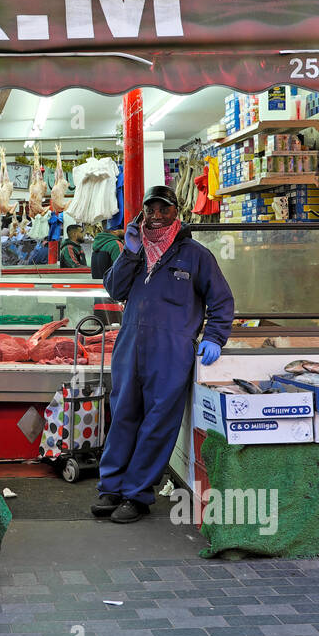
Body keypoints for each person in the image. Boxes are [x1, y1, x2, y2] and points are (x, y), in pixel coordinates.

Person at [93, 185, 234, 523]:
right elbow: (114, 289)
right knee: (123, 416)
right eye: (150, 210)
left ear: (176, 213)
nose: (155, 216)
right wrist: (128, 252)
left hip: (171, 352)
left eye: (163, 210)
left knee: (157, 423)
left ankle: (137, 495)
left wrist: (214, 337)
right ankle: (111, 487)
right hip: (130, 347)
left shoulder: (196, 255)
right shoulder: (137, 252)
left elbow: (222, 301)